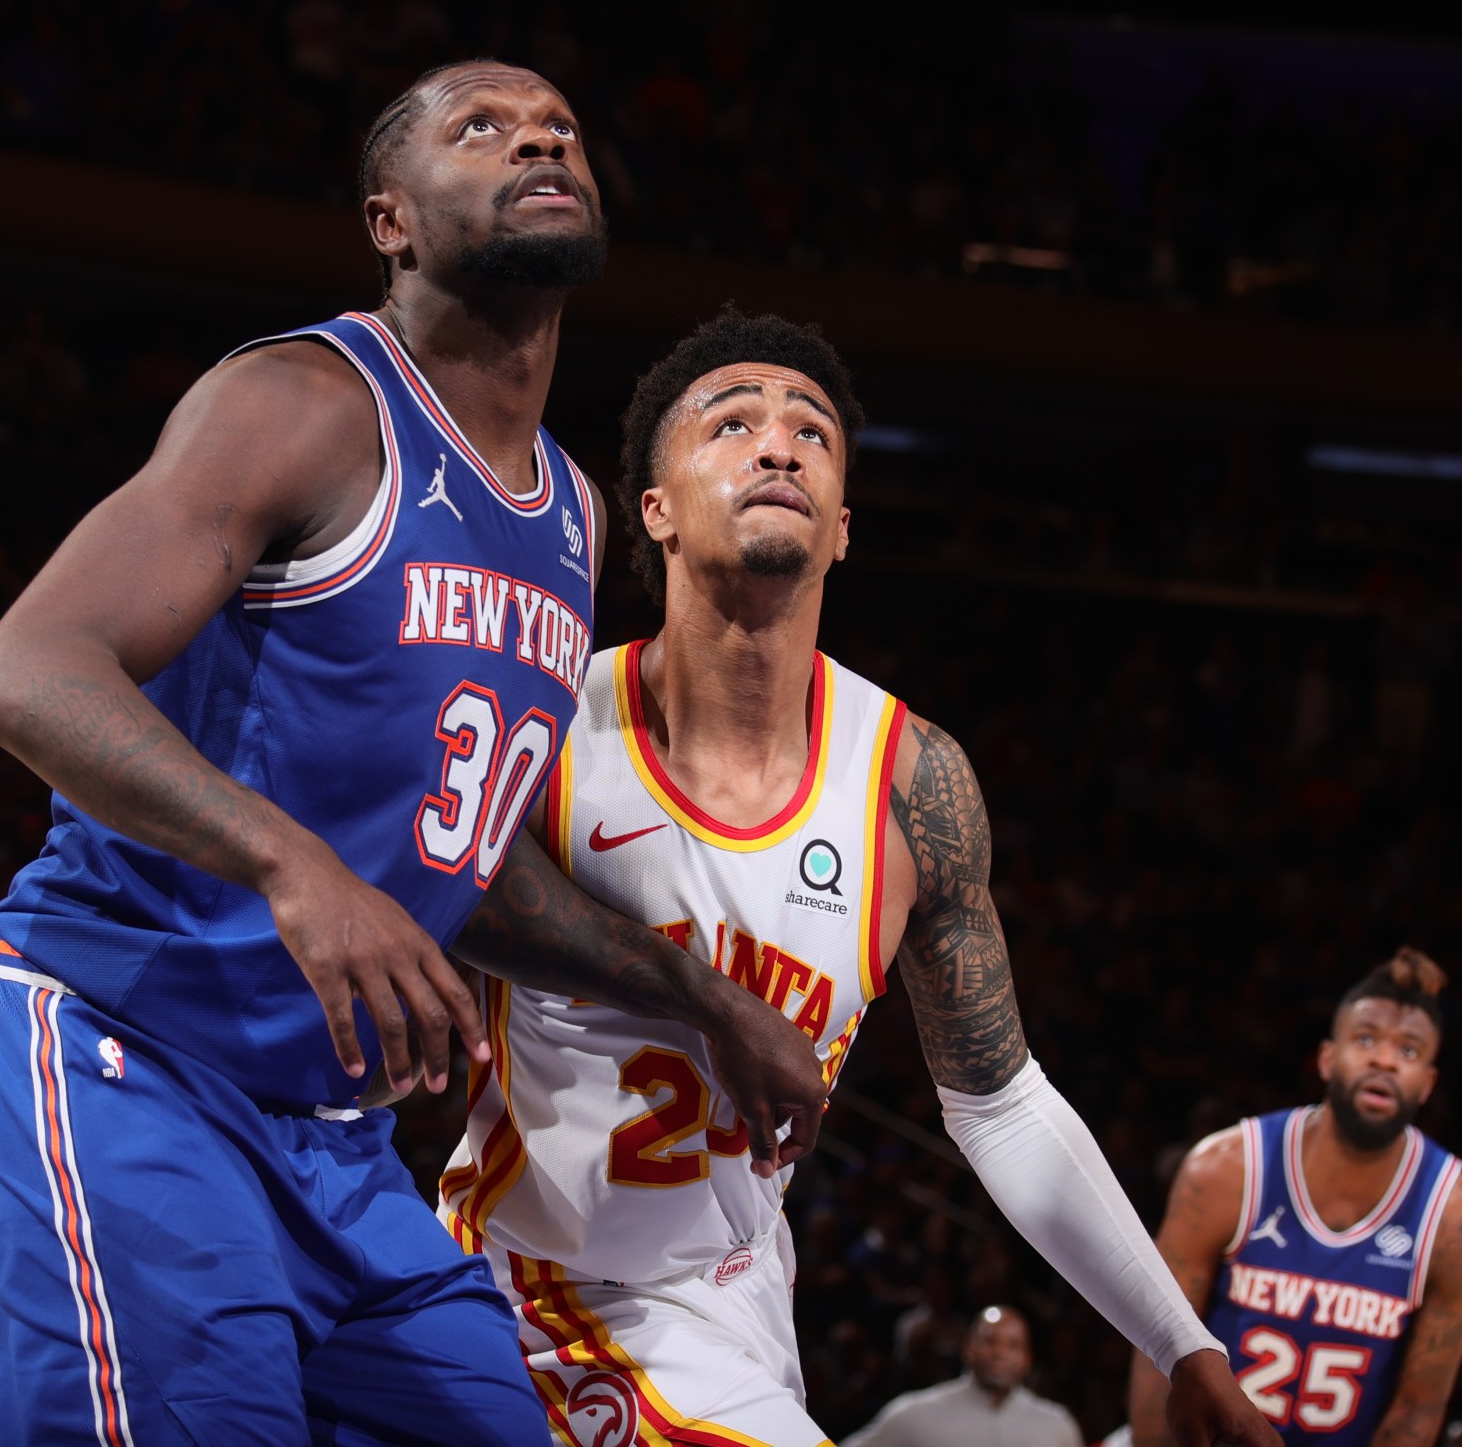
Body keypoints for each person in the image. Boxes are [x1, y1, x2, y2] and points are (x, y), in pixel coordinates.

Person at [0, 59, 829, 1445]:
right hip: (125, 1059)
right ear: (389, 220)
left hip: (337, 1151)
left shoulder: (574, 516)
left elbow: (459, 860)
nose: (538, 140)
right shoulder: (306, 400)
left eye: (561, 129)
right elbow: (28, 669)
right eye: (482, 127)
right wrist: (296, 868)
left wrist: (701, 997)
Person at [438, 311, 1273, 1446]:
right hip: (528, 1289)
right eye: (732, 424)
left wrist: (1184, 1344)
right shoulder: (549, 720)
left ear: (840, 529)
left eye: (812, 433)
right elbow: (422, 900)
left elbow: (1000, 1103)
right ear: (656, 508)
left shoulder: (912, 783)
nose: (778, 446)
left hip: (735, 1306)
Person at [1127, 950, 1462, 1447]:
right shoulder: (1227, 1170)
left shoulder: (1457, 1217)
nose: (1385, 1060)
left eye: (1408, 1051)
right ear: (1327, 1058)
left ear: (1427, 1084)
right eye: (1365, 1039)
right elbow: (1160, 1345)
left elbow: (1419, 1405)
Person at [843, 1306, 1083, 1447]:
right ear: (968, 1349)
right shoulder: (915, 1414)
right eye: (990, 1341)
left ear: (1027, 1360)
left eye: (1013, 1345)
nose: (1000, 1353)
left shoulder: (1057, 1426)